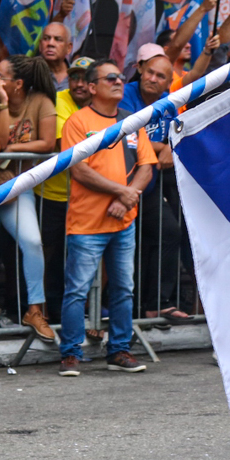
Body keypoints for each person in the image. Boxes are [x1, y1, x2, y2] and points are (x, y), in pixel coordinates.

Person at [58, 60, 155, 376]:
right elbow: (79, 169)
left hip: (123, 221)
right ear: (91, 86)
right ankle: (71, 353)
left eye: (120, 77)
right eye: (110, 77)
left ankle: (120, 350)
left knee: (123, 289)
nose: (119, 81)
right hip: (87, 223)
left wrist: (127, 198)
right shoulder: (77, 121)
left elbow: (146, 166)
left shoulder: (131, 121)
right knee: (77, 290)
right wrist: (122, 193)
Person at [0, 54, 59, 342]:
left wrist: (12, 149)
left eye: (1, 76)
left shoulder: (40, 101)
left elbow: (48, 142)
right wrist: (1, 103)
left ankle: (35, 309)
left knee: (32, 242)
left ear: (18, 83)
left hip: (18, 186)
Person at [120, 45, 193, 323]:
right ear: (139, 70)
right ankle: (128, 310)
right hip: (115, 186)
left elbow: (172, 149)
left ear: (167, 82)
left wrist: (157, 148)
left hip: (145, 186)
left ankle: (157, 303)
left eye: (161, 76)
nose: (153, 78)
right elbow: (129, 137)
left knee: (168, 232)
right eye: (149, 72)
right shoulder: (125, 94)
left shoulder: (168, 101)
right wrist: (156, 147)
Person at [36, 57, 96, 312]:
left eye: (85, 78)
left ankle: (85, 313)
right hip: (53, 196)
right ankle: (50, 311)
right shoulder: (59, 100)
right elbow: (67, 146)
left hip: (88, 199)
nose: (79, 84)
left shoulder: (104, 105)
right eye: (74, 77)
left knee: (82, 258)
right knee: (50, 256)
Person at [37, 20, 73, 91]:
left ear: (68, 48)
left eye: (58, 39)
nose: (51, 43)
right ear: (40, 45)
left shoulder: (77, 75)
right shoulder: (29, 74)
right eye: (46, 38)